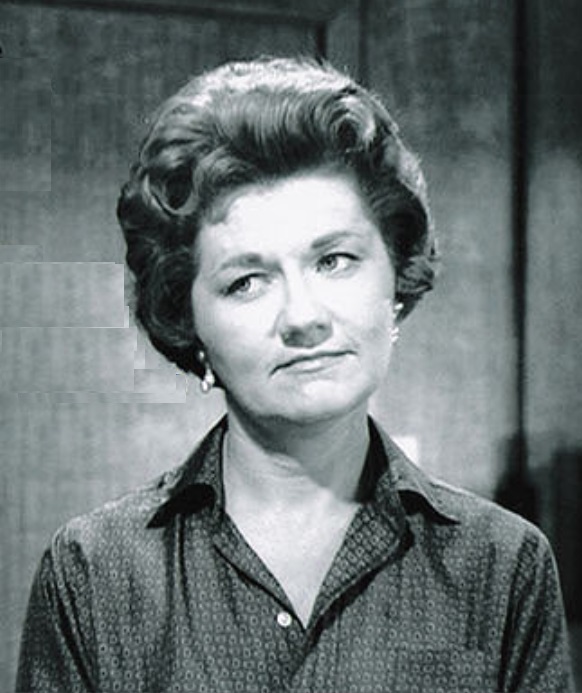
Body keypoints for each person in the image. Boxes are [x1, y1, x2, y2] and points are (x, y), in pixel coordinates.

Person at [17, 57, 574, 692]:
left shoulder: (502, 566)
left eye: (334, 260)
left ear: (394, 280)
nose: (303, 317)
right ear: (187, 319)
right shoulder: (95, 573)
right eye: (247, 282)